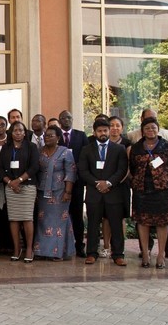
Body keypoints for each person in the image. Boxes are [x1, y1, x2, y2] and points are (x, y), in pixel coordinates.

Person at [128, 108, 168, 261]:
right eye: (147, 128)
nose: (150, 130)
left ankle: (161, 255)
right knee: (143, 222)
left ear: (158, 129)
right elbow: (133, 166)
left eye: (153, 127)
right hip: (142, 190)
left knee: (162, 222)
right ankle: (145, 253)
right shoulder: (136, 147)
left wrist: (166, 179)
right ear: (142, 130)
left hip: (162, 191)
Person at [77, 118, 129, 266]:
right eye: (99, 131)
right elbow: (83, 170)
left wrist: (109, 183)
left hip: (113, 193)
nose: (103, 133)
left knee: (116, 225)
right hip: (94, 193)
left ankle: (118, 254)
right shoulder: (86, 149)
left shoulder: (119, 149)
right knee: (93, 225)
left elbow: (122, 170)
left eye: (105, 130)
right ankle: (92, 253)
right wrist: (97, 183)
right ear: (94, 133)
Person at [0, 121, 39, 263]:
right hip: (10, 187)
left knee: (27, 218)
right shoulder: (6, 148)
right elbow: (0, 168)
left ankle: (29, 248)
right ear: (11, 132)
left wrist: (19, 180)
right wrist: (10, 182)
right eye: (15, 130)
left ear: (25, 132)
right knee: (14, 219)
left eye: (21, 130)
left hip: (27, 186)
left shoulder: (32, 147)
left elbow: (34, 167)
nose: (18, 133)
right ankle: (17, 249)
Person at [34, 126, 76, 261]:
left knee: (59, 222)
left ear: (58, 138)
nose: (47, 137)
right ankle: (42, 251)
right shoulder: (39, 151)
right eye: (46, 135)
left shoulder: (65, 152)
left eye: (51, 135)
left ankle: (58, 253)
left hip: (60, 192)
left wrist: (68, 192)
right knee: (43, 221)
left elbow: (71, 173)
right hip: (42, 192)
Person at [58, 110, 88, 258]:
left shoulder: (80, 135)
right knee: (61, 215)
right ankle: (62, 245)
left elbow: (85, 156)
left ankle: (79, 246)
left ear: (73, 118)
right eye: (63, 118)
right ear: (59, 120)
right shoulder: (55, 136)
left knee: (76, 215)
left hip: (76, 182)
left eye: (69, 117)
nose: (66, 120)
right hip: (59, 182)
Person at [103, 115, 132, 258]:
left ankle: (119, 247)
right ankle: (106, 246)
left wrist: (114, 182)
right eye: (112, 125)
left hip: (120, 185)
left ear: (122, 128)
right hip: (104, 186)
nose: (114, 128)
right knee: (106, 217)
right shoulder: (102, 142)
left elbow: (127, 168)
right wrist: (105, 183)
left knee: (120, 217)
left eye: (117, 125)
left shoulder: (127, 143)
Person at [0, 116, 12, 253]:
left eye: (2, 124)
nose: (0, 127)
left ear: (6, 126)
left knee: (8, 213)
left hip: (10, 182)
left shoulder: (12, 143)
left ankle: (8, 244)